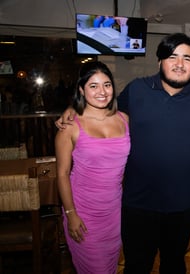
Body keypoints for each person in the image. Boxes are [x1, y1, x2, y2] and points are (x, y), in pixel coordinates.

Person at [56, 33, 190, 274]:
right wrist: (71, 108)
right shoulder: (138, 89)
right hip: (137, 205)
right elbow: (102, 107)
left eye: (187, 58)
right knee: (137, 266)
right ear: (159, 61)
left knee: (174, 265)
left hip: (182, 205)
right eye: (172, 57)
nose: (180, 64)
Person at [55, 61, 130, 273]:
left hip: (114, 212)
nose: (102, 91)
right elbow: (61, 175)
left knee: (110, 267)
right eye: (93, 85)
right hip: (83, 212)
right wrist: (71, 214)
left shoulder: (124, 119)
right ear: (81, 89)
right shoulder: (70, 126)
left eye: (107, 84)